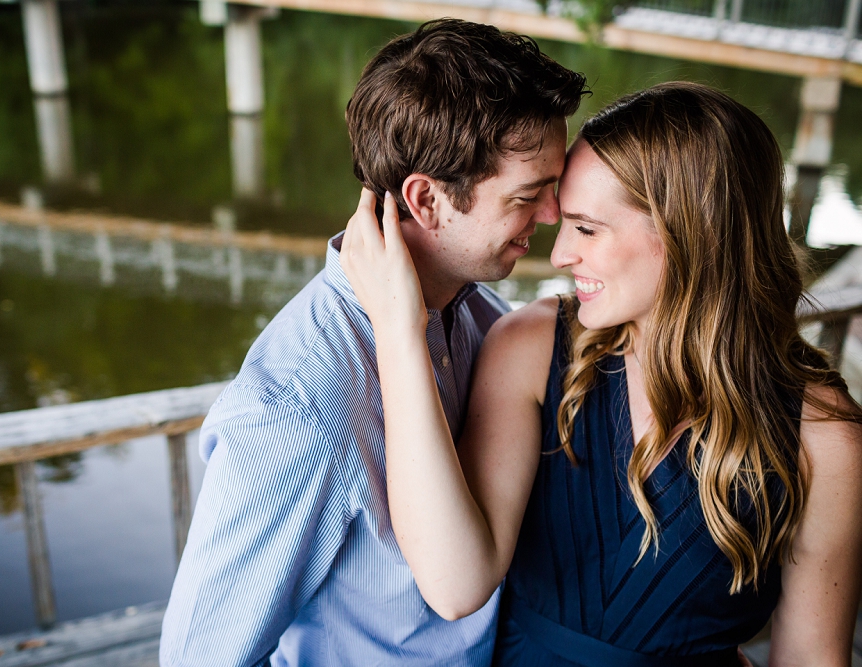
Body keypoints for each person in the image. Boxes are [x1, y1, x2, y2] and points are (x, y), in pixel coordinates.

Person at [341, 81, 862, 666]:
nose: (560, 253)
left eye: (586, 228)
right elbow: (455, 583)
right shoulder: (531, 348)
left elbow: (813, 658)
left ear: (688, 235)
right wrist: (398, 329)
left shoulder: (823, 436)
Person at [159, 19, 587, 666]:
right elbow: (199, 656)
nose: (553, 215)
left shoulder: (481, 315)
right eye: (529, 194)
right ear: (428, 199)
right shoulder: (296, 408)